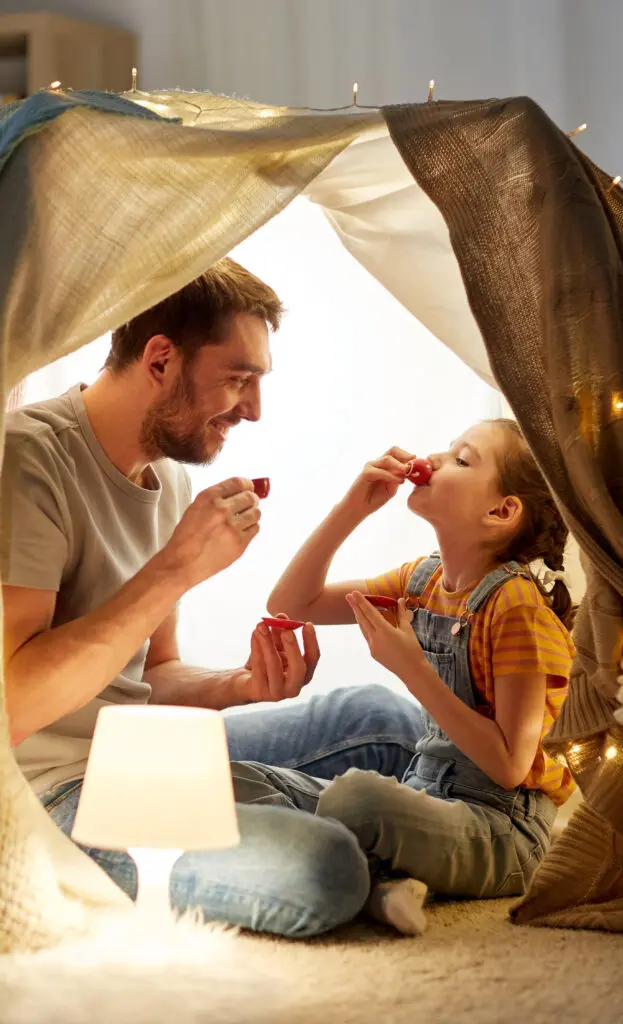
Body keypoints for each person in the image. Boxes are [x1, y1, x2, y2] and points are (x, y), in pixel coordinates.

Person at [1, 257, 422, 938]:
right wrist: (174, 569)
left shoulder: (164, 479)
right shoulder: (27, 458)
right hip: (58, 794)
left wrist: (240, 684)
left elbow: (152, 675)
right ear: (161, 359)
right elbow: (13, 702)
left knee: (382, 721)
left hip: (147, 752)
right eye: (238, 379)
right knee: (322, 868)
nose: (253, 410)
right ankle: (399, 851)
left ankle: (407, 842)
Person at [228, 420, 577, 935]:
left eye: (462, 458)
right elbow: (291, 602)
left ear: (501, 512)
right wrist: (354, 508)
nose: (435, 458)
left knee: (355, 800)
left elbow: (509, 764)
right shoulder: (424, 579)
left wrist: (411, 669)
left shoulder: (517, 609)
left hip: (501, 828)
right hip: (425, 793)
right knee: (235, 780)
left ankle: (371, 875)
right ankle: (385, 881)